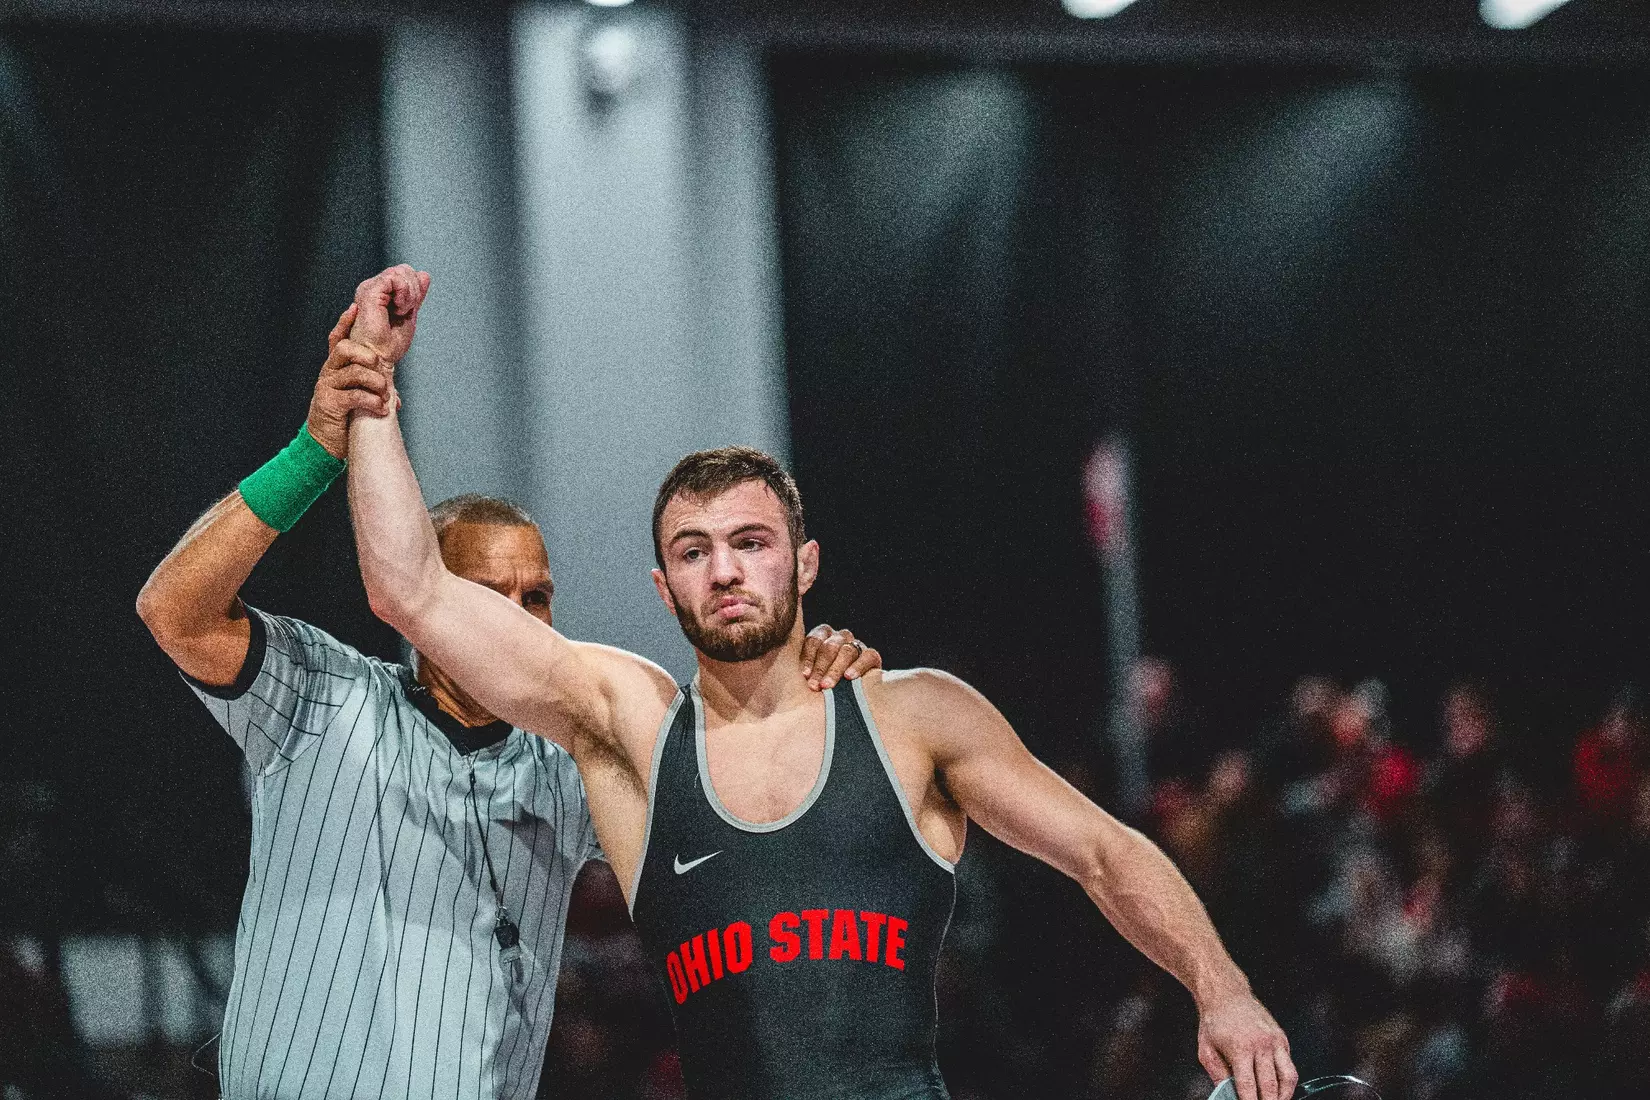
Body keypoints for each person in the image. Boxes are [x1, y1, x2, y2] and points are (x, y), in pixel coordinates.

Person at [345, 264, 1298, 1100]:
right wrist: (374, 389)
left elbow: (1103, 851)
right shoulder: (628, 728)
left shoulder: (912, 716)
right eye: (693, 551)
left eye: (750, 544)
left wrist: (1224, 988)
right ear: (661, 584)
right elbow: (410, 591)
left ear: (802, 565)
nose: (723, 571)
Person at [135, 280, 881, 1100]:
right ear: (430, 598)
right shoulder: (320, 693)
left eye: (537, 598)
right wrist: (314, 452)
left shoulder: (570, 758)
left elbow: (745, 802)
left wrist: (806, 681)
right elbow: (173, 610)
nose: (520, 620)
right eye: (487, 597)